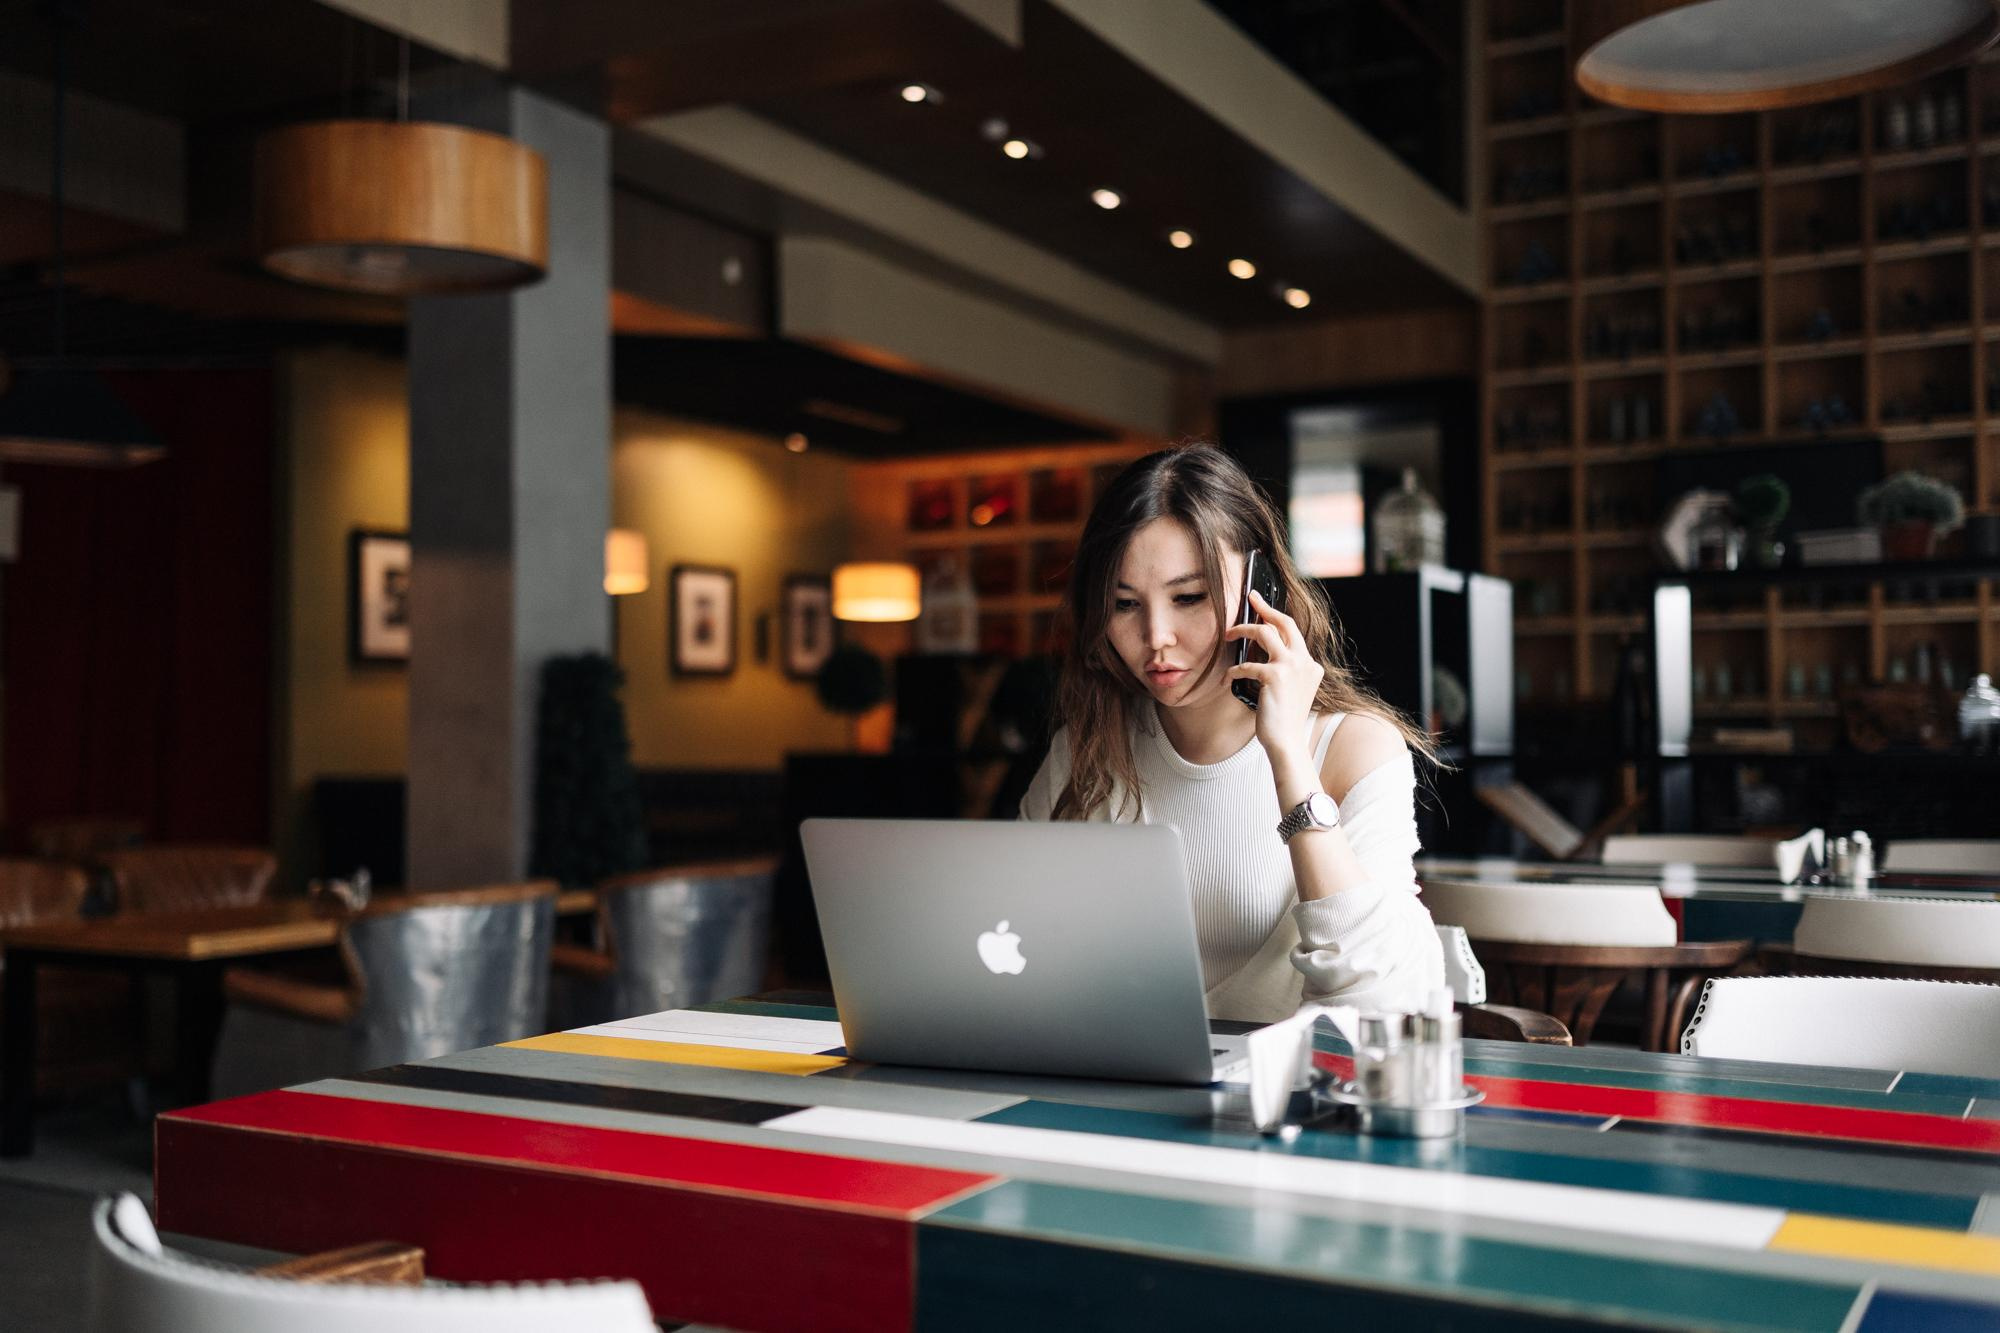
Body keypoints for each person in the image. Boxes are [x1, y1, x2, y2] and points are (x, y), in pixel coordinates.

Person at [1019, 444, 1445, 1022]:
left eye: (1189, 597)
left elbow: (1375, 1001)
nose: (1156, 636)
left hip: (1291, 1092)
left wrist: (1288, 756)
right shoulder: (1088, 750)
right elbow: (1020, 948)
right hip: (1120, 1084)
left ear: (1259, 587)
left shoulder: (1353, 749)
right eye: (1124, 605)